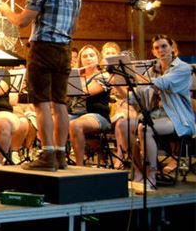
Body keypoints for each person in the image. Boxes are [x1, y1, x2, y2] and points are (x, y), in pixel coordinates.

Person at [0, 0, 82, 170]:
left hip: (43, 48)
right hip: (64, 48)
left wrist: (5, 10)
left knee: (42, 103)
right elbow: (73, 28)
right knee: (60, 102)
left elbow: (22, 22)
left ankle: (47, 155)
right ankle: (61, 155)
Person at [115, 35, 195, 192]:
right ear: (153, 51)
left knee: (145, 129)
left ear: (172, 48)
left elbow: (162, 83)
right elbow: (136, 97)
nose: (161, 50)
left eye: (164, 46)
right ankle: (139, 171)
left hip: (177, 118)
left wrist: (130, 72)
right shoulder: (152, 71)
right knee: (123, 125)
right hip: (154, 115)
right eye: (157, 48)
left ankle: (151, 176)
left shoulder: (183, 68)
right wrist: (118, 84)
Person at [66, 44, 113, 167]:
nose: (88, 59)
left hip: (98, 115)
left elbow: (89, 91)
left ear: (97, 58)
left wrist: (72, 81)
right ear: (80, 60)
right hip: (75, 113)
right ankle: (57, 160)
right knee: (53, 123)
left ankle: (79, 166)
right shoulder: (76, 76)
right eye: (85, 56)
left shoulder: (105, 76)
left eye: (92, 55)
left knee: (75, 125)